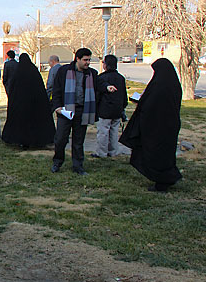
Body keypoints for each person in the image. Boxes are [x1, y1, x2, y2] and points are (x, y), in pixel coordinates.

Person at [51, 48, 117, 175]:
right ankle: (57, 162)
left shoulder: (92, 73)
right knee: (60, 139)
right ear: (77, 59)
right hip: (65, 111)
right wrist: (57, 107)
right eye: (85, 60)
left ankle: (78, 166)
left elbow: (100, 84)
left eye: (89, 60)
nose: (88, 63)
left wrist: (107, 87)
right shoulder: (64, 71)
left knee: (78, 141)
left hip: (82, 111)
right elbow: (57, 90)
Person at [119, 58, 182, 192]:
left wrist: (141, 103)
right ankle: (168, 177)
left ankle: (162, 181)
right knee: (166, 154)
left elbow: (151, 106)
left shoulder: (159, 86)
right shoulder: (173, 85)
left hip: (156, 127)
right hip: (170, 126)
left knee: (156, 154)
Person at [1, 53, 55, 147]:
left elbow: (12, 88)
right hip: (34, 103)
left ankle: (21, 140)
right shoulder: (34, 71)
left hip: (21, 104)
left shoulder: (18, 72)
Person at [91, 55, 128, 158]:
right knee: (114, 132)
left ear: (106, 65)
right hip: (117, 109)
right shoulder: (120, 78)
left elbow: (98, 95)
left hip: (105, 109)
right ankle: (113, 151)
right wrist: (123, 106)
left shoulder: (102, 78)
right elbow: (124, 94)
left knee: (103, 132)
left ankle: (102, 152)